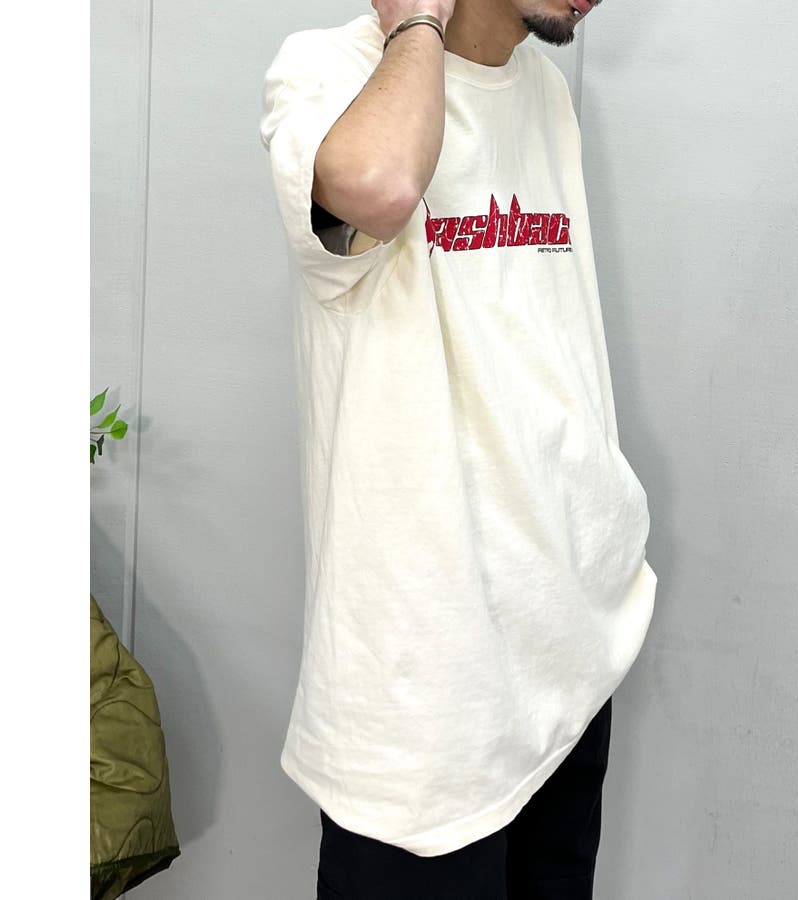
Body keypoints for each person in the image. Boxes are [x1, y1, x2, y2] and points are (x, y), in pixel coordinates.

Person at [259, 1, 658, 896]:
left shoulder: (543, 90)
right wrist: (416, 23)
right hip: (423, 688)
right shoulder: (330, 72)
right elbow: (378, 188)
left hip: (567, 653)